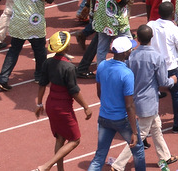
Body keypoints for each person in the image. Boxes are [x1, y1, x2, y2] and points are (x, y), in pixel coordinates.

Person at [110, 24, 175, 171]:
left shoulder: (131, 55)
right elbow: (164, 82)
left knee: (156, 127)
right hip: (149, 101)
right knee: (139, 136)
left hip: (134, 98)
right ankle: (118, 165)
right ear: (152, 38)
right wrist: (174, 80)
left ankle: (164, 156)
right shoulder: (157, 57)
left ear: (137, 39)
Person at [35, 31, 94, 171]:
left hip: (51, 103)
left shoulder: (48, 62)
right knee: (75, 139)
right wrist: (86, 106)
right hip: (63, 107)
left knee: (60, 138)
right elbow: (74, 91)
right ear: (66, 48)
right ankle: (46, 166)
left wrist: (39, 103)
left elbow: (42, 84)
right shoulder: (69, 67)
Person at [87, 35, 143, 171]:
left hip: (104, 117)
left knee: (100, 155)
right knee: (138, 150)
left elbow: (99, 92)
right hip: (122, 119)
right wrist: (134, 132)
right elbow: (129, 105)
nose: (132, 51)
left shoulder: (102, 66)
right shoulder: (126, 73)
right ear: (124, 53)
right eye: (130, 49)